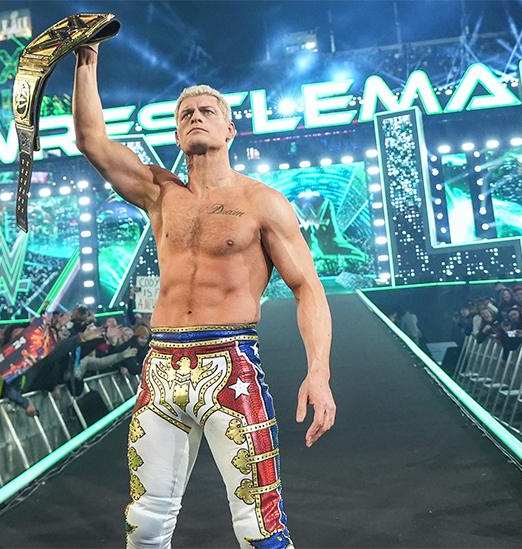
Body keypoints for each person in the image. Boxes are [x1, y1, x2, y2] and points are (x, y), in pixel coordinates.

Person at [73, 43, 334, 548]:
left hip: (230, 364)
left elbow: (308, 288)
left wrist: (318, 371)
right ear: (176, 132)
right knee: (145, 521)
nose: (195, 118)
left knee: (259, 525)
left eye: (207, 112)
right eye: (185, 114)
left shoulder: (263, 202)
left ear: (229, 128)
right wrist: (87, 60)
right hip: (163, 364)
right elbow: (92, 141)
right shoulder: (159, 193)